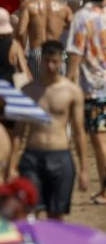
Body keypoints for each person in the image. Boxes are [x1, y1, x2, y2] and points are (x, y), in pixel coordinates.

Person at [17, 41, 90, 219]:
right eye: (47, 61)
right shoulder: (28, 90)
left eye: (55, 62)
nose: (50, 66)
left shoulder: (72, 91)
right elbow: (18, 132)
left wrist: (84, 169)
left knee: (56, 216)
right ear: (41, 60)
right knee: (29, 213)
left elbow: (79, 132)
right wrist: (11, 164)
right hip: (32, 155)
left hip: (60, 155)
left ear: (61, 62)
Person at [65, 0, 106, 205]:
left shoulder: (82, 17)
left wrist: (69, 85)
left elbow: (75, 55)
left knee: (99, 140)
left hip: (93, 87)